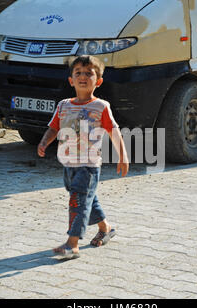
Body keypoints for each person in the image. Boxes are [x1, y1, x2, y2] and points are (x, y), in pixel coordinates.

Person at [37, 55, 129, 259]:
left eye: (89, 73)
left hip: (89, 165)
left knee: (78, 201)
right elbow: (53, 127)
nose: (83, 76)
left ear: (98, 81)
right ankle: (106, 228)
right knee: (86, 197)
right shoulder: (63, 105)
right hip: (68, 163)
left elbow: (114, 132)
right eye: (78, 72)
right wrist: (44, 142)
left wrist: (123, 156)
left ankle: (72, 243)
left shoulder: (101, 107)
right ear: (71, 80)